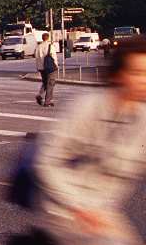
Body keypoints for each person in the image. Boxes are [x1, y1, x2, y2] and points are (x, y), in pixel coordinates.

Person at [30, 36, 146, 244]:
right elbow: (46, 161)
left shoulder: (141, 118)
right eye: (138, 73)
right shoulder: (88, 108)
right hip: (63, 208)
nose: (144, 80)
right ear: (119, 75)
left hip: (102, 210)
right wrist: (78, 207)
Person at [34, 33, 59, 107]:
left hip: (41, 68)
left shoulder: (38, 47)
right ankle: (47, 101)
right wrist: (56, 66)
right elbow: (54, 57)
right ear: (48, 38)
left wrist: (38, 67)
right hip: (50, 68)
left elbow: (36, 57)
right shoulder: (50, 46)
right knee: (50, 84)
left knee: (45, 83)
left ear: (42, 38)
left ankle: (39, 94)